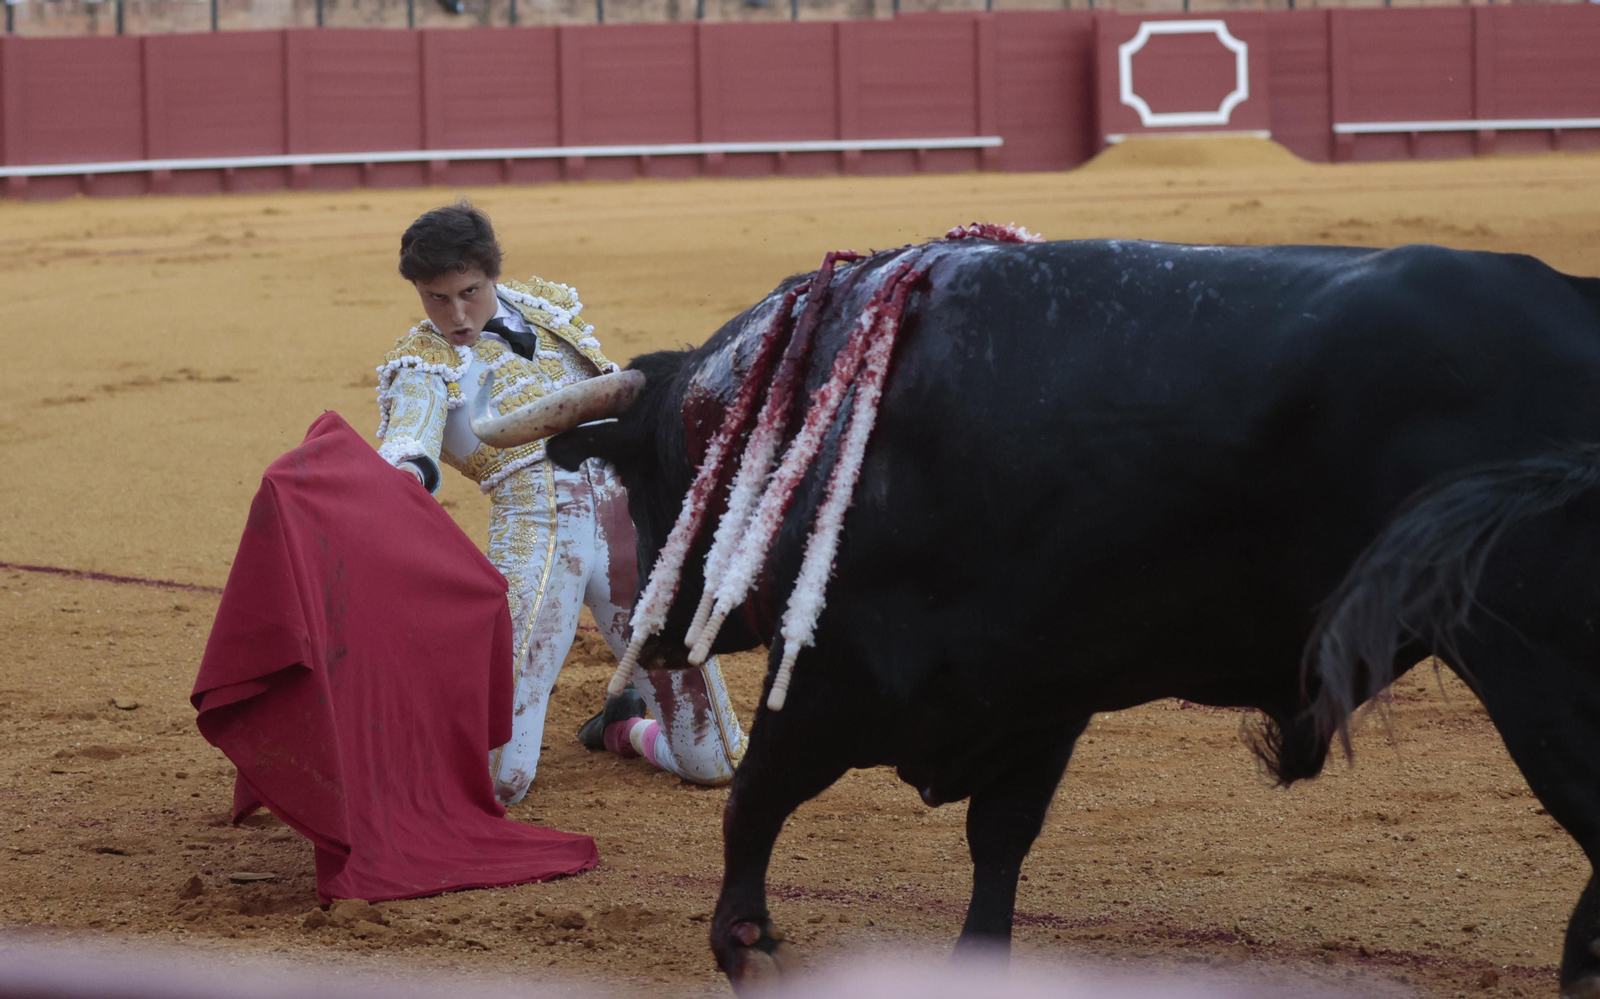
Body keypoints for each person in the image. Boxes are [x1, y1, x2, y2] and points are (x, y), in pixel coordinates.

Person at [373, 201, 745, 805]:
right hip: (536, 539)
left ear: (493, 273)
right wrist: (403, 477)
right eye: (436, 298)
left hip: (633, 532)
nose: (457, 315)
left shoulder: (547, 312)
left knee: (716, 761)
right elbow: (407, 443)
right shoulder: (422, 364)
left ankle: (623, 729)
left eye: (469, 291)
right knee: (497, 782)